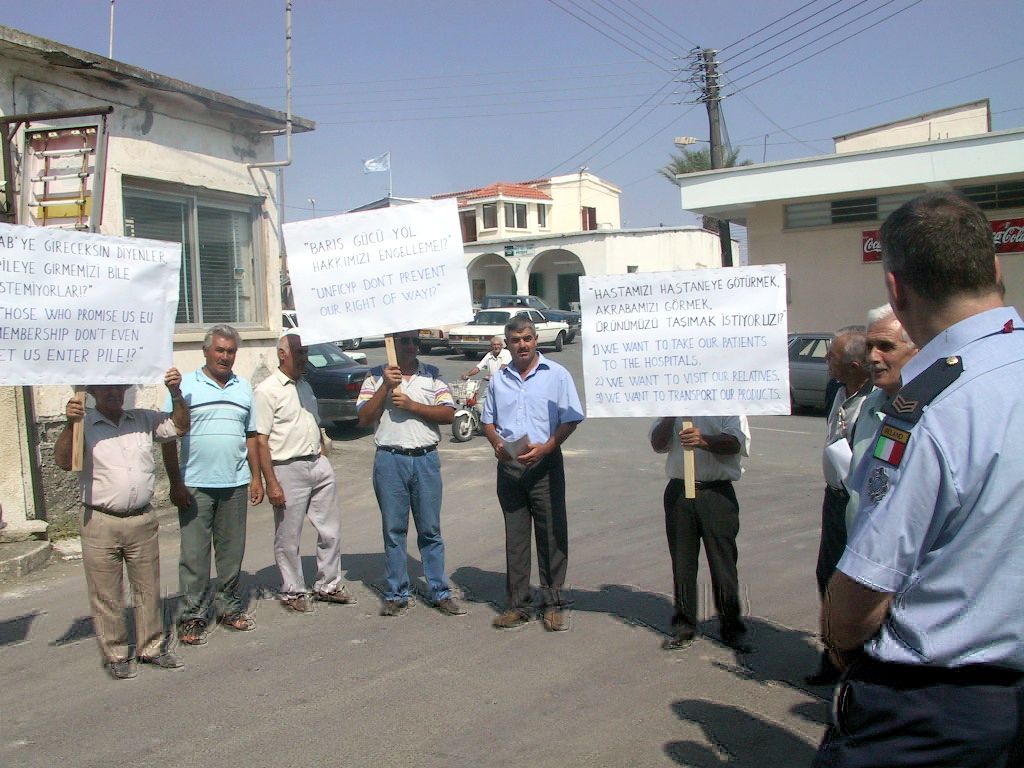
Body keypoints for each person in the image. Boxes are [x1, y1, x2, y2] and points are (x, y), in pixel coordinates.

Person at [815, 192, 1024, 767]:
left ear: (896, 289)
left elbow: (865, 589)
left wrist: (839, 643)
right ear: (996, 270)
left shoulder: (929, 407)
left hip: (935, 708)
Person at [54, 369, 190, 680]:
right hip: (100, 520)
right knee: (106, 593)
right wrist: (69, 423)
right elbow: (64, 461)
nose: (114, 392)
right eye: (106, 387)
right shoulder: (84, 422)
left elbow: (180, 426)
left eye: (119, 386)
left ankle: (151, 647)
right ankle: (115, 653)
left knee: (148, 587)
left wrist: (176, 392)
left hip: (141, 519)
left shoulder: (142, 419)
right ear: (93, 391)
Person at [161, 324, 264, 646]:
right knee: (194, 556)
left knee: (231, 554)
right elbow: (168, 436)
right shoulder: (185, 387)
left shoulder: (243, 388)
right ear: (205, 351)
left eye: (231, 351)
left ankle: (229, 608)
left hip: (234, 484)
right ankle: (192, 616)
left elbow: (251, 437)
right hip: (195, 485)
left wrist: (257, 477)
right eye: (219, 350)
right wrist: (175, 483)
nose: (225, 356)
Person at [482, 315, 584, 632]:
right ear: (507, 344)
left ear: (535, 339)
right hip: (510, 468)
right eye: (515, 340)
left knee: (552, 534)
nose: (522, 345)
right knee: (516, 538)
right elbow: (488, 420)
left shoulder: (557, 375)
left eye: (527, 338)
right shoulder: (499, 378)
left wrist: (549, 446)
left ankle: (552, 604)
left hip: (545, 464)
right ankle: (518, 605)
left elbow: (572, 417)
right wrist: (497, 443)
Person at [356, 330, 464, 617]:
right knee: (394, 531)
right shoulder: (375, 375)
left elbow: (448, 413)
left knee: (430, 530)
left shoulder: (432, 375)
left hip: (425, 459)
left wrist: (413, 406)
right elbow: (364, 417)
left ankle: (440, 591)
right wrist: (385, 388)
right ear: (391, 343)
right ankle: (396, 593)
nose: (410, 346)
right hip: (391, 460)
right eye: (403, 340)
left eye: (414, 341)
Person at [254, 330, 356, 612]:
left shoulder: (305, 386)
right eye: (299, 353)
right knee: (288, 536)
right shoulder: (266, 390)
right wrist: (270, 481)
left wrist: (322, 452)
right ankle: (293, 591)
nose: (304, 358)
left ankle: (328, 584)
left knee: (330, 530)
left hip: (317, 462)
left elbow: (314, 422)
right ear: (282, 354)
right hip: (287, 468)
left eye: (306, 353)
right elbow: (260, 440)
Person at [650, 416, 752, 652]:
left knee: (723, 563)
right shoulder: (671, 401)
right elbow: (657, 443)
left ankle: (732, 627)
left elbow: (736, 442)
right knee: (683, 563)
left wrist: (703, 440)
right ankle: (684, 625)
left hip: (716, 492)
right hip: (679, 490)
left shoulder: (727, 403)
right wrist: (670, 415)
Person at [806, 327, 871, 684]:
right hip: (835, 497)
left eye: (831, 356)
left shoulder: (877, 397)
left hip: (860, 500)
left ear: (856, 365)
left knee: (858, 581)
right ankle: (833, 656)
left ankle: (860, 664)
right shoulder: (836, 389)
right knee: (827, 575)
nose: (826, 361)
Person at [843, 305, 917, 532]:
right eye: (869, 347)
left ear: (917, 350)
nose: (873, 357)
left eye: (886, 347)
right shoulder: (868, 405)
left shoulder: (933, 411)